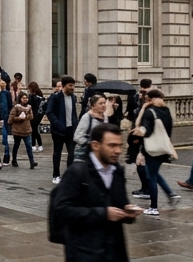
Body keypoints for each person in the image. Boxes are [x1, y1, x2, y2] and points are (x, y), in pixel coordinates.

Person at [49, 123, 139, 262]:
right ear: (96, 145)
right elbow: (62, 209)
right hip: (85, 252)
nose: (118, 151)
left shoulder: (117, 171)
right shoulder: (77, 172)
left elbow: (119, 203)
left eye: (120, 145)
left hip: (114, 251)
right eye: (112, 145)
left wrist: (128, 212)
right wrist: (104, 213)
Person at [134, 89, 178, 215]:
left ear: (151, 99)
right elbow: (169, 130)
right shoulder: (166, 110)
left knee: (151, 177)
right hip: (163, 147)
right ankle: (171, 193)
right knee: (153, 173)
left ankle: (154, 207)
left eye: (148, 99)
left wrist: (143, 109)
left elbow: (145, 130)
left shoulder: (149, 112)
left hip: (152, 149)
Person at [47, 76, 79, 183]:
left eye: (73, 85)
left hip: (71, 130)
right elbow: (49, 112)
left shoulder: (73, 97)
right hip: (58, 131)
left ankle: (69, 175)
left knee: (72, 153)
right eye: (70, 85)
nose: (72, 88)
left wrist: (76, 124)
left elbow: (73, 113)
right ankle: (56, 174)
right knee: (57, 152)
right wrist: (58, 124)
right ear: (64, 86)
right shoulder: (55, 97)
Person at [73, 94, 109, 160]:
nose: (103, 105)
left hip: (98, 153)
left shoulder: (105, 117)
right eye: (100, 103)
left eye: (104, 103)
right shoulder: (87, 117)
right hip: (84, 153)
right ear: (93, 106)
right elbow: (77, 136)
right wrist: (90, 144)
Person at [9, 91, 37, 168]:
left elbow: (31, 117)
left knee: (28, 146)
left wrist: (27, 116)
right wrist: (19, 118)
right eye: (23, 98)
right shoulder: (16, 107)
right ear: (20, 99)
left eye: (26, 98)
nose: (25, 99)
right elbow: (11, 119)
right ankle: (14, 160)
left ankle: (32, 162)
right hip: (18, 130)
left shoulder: (29, 107)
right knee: (16, 145)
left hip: (27, 130)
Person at [0, 79, 14, 163]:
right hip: (6, 115)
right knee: (6, 134)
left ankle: (6, 155)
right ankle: (7, 155)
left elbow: (4, 106)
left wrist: (4, 117)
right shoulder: (6, 92)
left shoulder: (3, 93)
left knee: (5, 135)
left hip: (4, 116)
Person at [28, 81, 45, 152]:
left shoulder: (33, 97)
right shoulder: (40, 96)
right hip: (39, 114)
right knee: (35, 130)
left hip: (34, 114)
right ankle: (39, 145)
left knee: (34, 130)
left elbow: (30, 105)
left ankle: (34, 145)